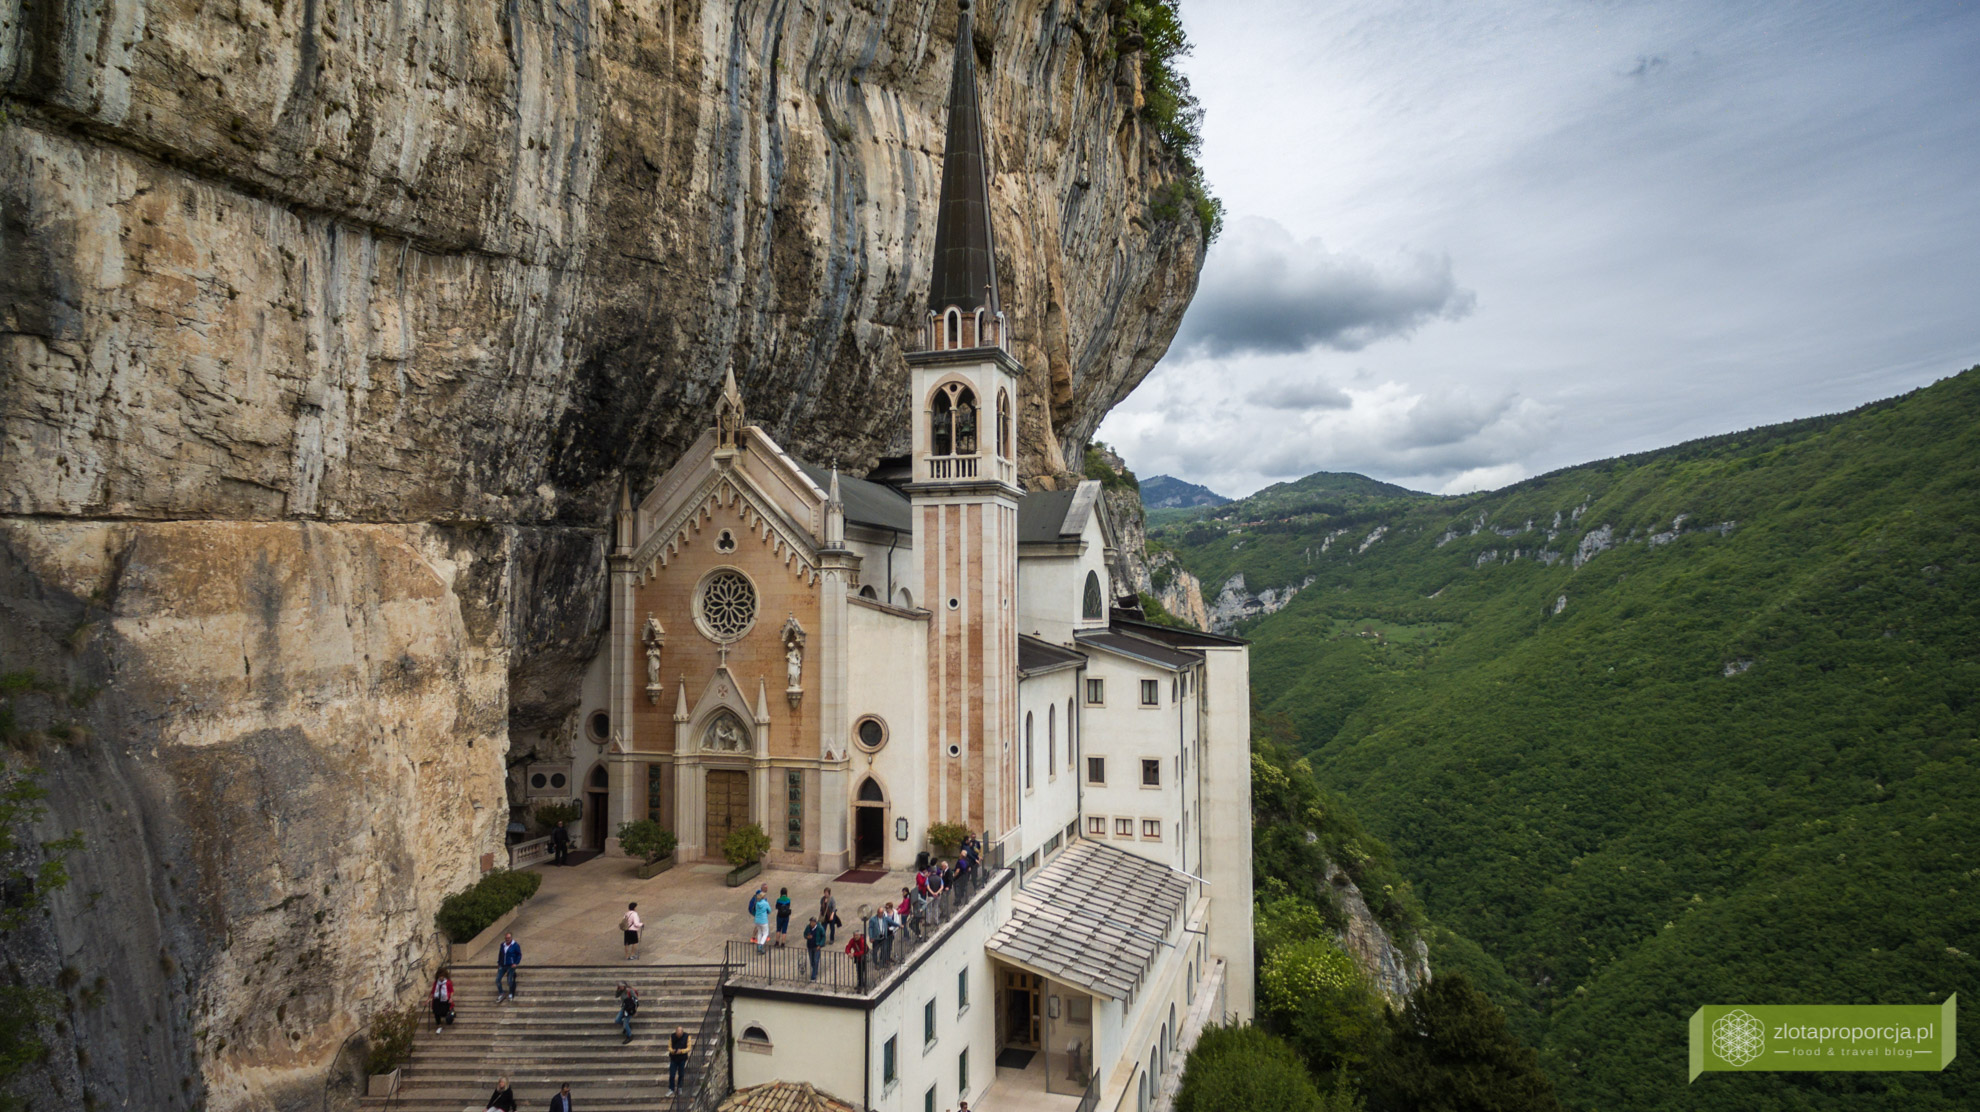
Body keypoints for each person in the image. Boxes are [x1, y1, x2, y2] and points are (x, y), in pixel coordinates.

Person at [496, 932, 521, 1002]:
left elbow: (519, 955)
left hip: (511, 965)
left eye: (509, 938)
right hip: (502, 965)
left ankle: (511, 993)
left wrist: (516, 963)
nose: (507, 939)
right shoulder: (502, 945)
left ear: (511, 938)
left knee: (510, 980)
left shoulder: (515, 945)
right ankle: (501, 993)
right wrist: (499, 963)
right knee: (497, 980)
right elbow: (500, 954)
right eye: (506, 938)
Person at [668, 1024, 693, 1095]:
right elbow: (669, 1047)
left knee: (681, 1073)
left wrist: (681, 1051)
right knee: (672, 1074)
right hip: (674, 1057)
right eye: (677, 1034)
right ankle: (671, 1088)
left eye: (680, 1034)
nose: (678, 1036)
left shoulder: (687, 1036)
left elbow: (689, 1048)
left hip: (682, 1058)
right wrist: (673, 1051)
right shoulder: (672, 1036)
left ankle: (679, 1087)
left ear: (682, 1032)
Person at [845, 922, 869, 992]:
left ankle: (861, 984)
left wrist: (854, 954)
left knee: (862, 970)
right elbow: (848, 947)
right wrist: (849, 953)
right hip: (858, 958)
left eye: (856, 935)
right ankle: (860, 983)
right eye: (854, 935)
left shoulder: (862, 941)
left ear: (859, 935)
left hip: (863, 957)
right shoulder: (852, 940)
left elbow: (863, 951)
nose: (855, 937)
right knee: (859, 971)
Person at [431, 968, 455, 1033]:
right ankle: (439, 1025)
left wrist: (451, 998)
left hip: (445, 1000)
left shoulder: (448, 982)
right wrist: (428, 999)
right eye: (440, 976)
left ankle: (452, 1014)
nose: (441, 978)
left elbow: (451, 991)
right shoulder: (436, 983)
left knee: (446, 1013)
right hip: (437, 1000)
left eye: (442, 976)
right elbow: (433, 991)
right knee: (436, 1012)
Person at [802, 915, 825, 981]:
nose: (811, 923)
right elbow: (804, 934)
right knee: (812, 960)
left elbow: (823, 936)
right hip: (810, 946)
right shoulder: (808, 927)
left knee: (816, 960)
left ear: (815, 922)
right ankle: (815, 970)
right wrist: (807, 937)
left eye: (812, 922)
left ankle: (813, 975)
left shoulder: (819, 928)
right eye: (810, 922)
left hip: (816, 947)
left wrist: (820, 945)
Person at [749, 887, 771, 952]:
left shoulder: (757, 903)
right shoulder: (765, 903)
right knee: (765, 933)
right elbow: (769, 911)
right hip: (763, 920)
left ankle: (758, 944)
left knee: (759, 933)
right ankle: (760, 945)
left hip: (757, 920)